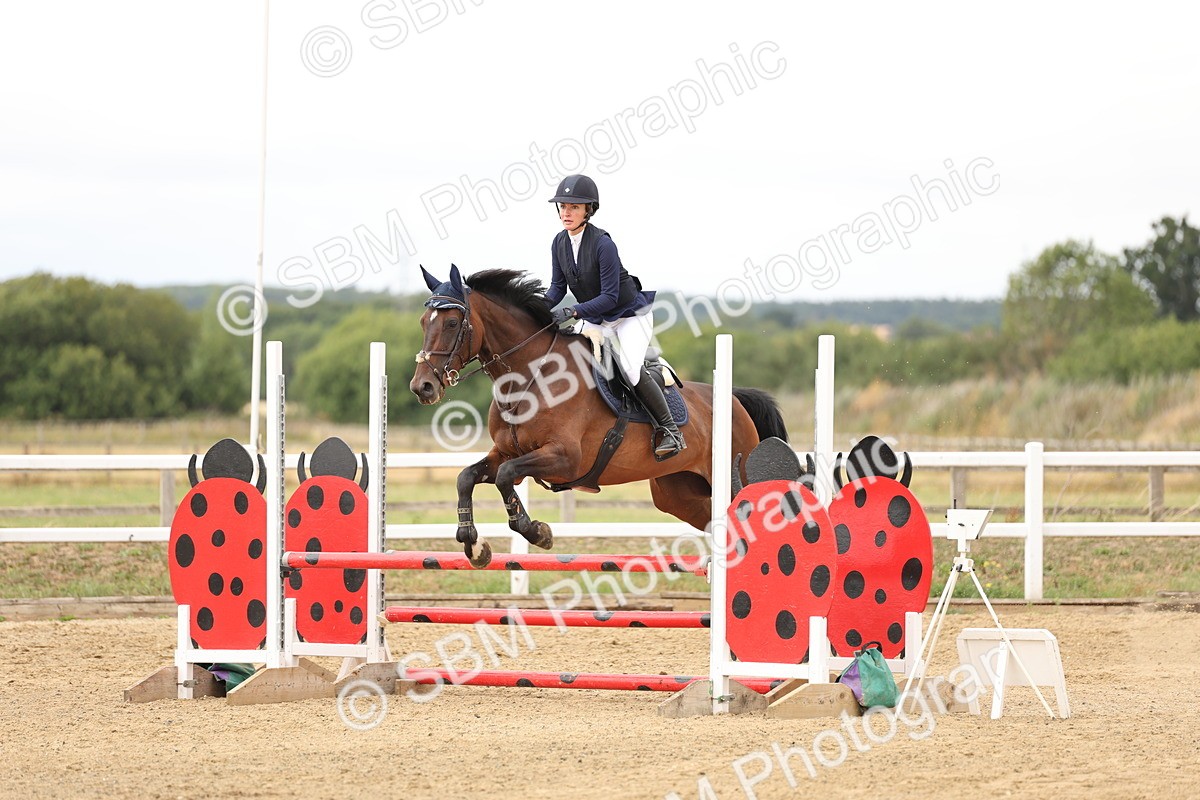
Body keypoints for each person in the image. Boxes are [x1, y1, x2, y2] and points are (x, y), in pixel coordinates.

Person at [542, 174, 685, 460]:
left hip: (629, 314)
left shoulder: (603, 244)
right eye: (563, 206)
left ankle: (670, 430)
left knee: (630, 369)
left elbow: (609, 296)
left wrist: (573, 311)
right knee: (574, 361)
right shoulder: (559, 243)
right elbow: (557, 288)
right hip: (597, 318)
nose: (566, 212)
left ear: (588, 210)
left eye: (574, 207)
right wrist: (536, 309)